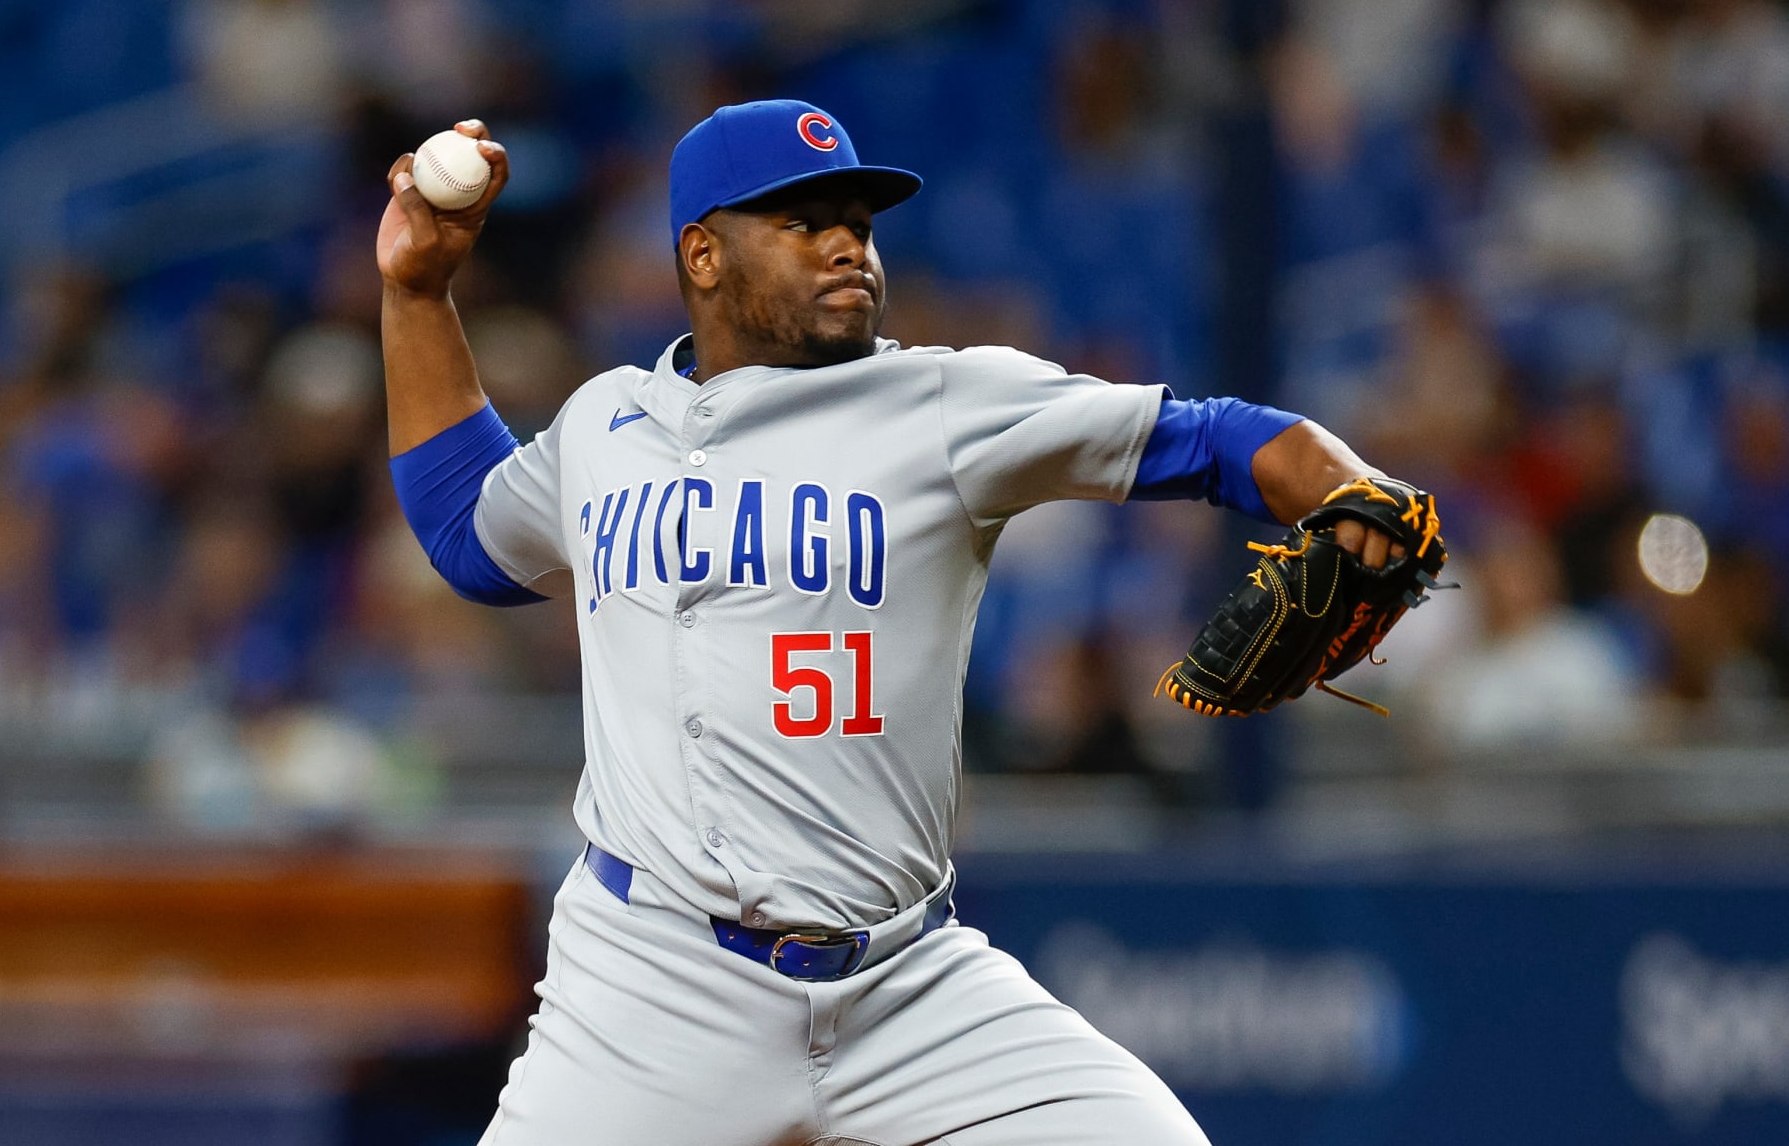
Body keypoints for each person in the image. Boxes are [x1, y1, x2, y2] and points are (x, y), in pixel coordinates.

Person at [377, 100, 1406, 1146]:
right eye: (802, 220)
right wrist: (417, 291)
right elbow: (468, 531)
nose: (846, 246)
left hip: (904, 986)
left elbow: (1217, 440)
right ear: (702, 253)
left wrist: (1353, 488)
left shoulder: (946, 405)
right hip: (652, 985)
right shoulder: (606, 422)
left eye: (859, 223)